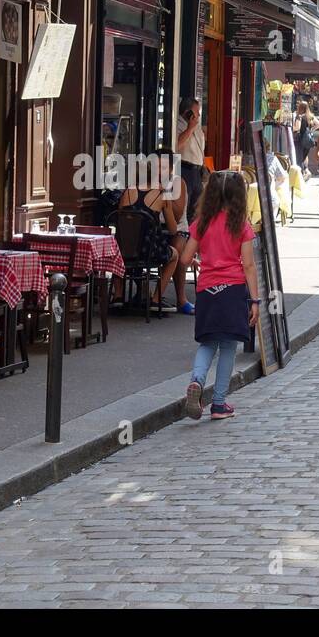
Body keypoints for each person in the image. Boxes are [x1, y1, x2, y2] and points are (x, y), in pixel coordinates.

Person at [179, 171, 259, 421]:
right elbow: (248, 265)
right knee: (228, 347)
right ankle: (219, 404)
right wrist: (255, 300)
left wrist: (201, 260)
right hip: (232, 290)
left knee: (207, 342)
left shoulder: (201, 223)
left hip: (206, 290)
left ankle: (196, 382)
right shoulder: (241, 226)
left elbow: (183, 259)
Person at [118, 150, 185, 312]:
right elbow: (173, 229)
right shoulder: (161, 195)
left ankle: (118, 296)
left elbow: (120, 220)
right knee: (174, 254)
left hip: (125, 249)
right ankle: (155, 300)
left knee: (120, 252)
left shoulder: (128, 191)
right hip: (148, 250)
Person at [176, 97, 205, 222]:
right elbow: (177, 145)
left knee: (197, 209)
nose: (198, 114)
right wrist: (190, 128)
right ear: (188, 112)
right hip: (184, 169)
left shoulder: (197, 127)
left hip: (197, 171)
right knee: (184, 208)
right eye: (196, 111)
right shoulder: (177, 124)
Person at [292, 100, 319, 177]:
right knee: (304, 157)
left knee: (299, 158)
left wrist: (291, 128)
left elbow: (297, 128)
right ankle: (305, 171)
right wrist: (311, 130)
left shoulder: (299, 116)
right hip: (308, 141)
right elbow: (318, 124)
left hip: (300, 140)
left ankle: (300, 175)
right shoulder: (310, 116)